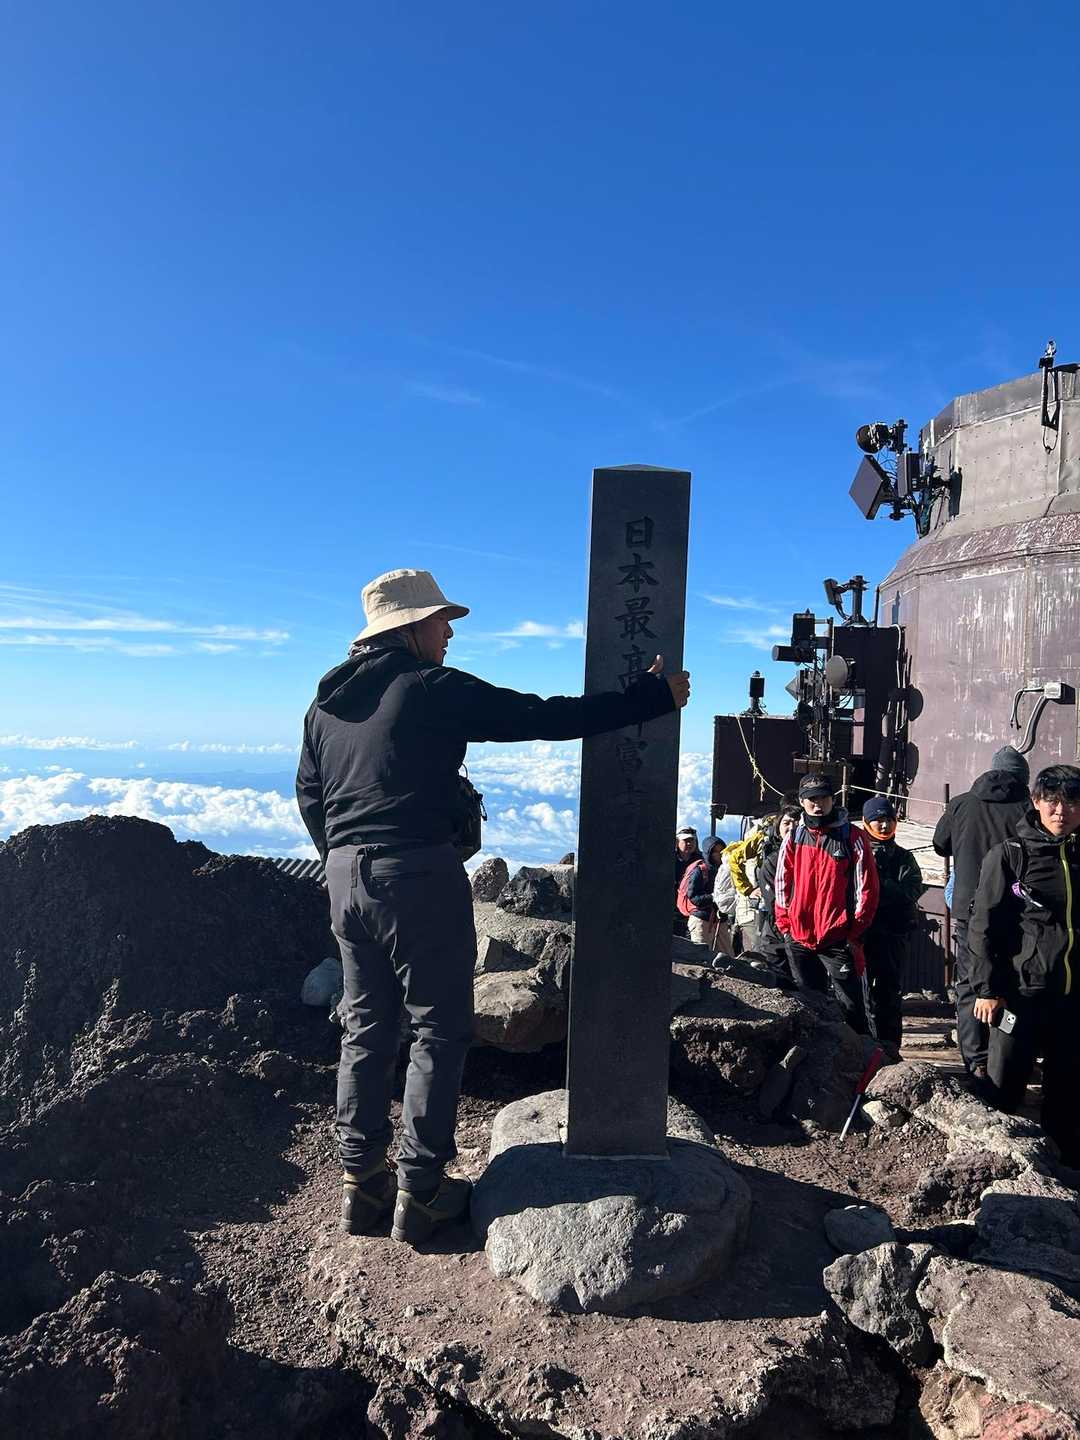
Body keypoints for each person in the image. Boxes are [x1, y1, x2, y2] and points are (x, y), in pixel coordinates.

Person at [296, 568, 689, 1244]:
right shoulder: (429, 686)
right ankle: (421, 1193)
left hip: (344, 878)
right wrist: (647, 699)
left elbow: (310, 796)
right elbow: (537, 715)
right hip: (416, 873)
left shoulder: (323, 705)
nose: (449, 633)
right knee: (437, 1029)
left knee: (366, 1027)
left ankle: (362, 1185)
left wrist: (348, 863)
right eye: (440, 621)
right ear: (408, 628)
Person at [967, 765, 1080, 1164]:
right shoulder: (1011, 855)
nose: (1061, 811)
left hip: (1072, 998)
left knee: (1067, 1091)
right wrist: (986, 989)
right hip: (1020, 993)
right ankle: (994, 1166)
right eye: (1052, 801)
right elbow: (983, 927)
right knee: (1004, 1087)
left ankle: (1063, 1171)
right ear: (1036, 802)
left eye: (1071, 802)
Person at [933, 745, 1030, 1084]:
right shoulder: (1028, 808)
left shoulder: (961, 803)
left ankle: (975, 1061)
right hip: (1016, 912)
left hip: (968, 910)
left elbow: (940, 844)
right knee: (1012, 986)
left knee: (969, 985)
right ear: (1023, 777)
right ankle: (1006, 1061)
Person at [774, 774, 880, 1034]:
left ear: (833, 799)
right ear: (802, 802)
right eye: (811, 799)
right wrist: (786, 925)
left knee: (853, 1007)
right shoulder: (795, 836)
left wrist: (854, 932)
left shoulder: (852, 837)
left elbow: (866, 888)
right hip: (799, 936)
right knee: (809, 1004)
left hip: (839, 937)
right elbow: (782, 881)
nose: (817, 804)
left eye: (823, 797)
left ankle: (862, 1053)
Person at [859, 796, 925, 1053]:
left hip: (892, 934)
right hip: (860, 935)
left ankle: (890, 1048)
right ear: (866, 822)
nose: (884, 825)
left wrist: (878, 887)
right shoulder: (857, 853)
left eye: (889, 819)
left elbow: (912, 889)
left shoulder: (903, 857)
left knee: (888, 993)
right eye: (878, 820)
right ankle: (862, 1046)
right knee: (860, 993)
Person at [754, 805, 801, 979]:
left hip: (809, 937)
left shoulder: (816, 855)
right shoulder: (772, 861)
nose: (792, 827)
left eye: (797, 822)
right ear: (778, 828)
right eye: (786, 823)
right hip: (777, 934)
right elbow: (773, 903)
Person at [680, 835, 726, 951]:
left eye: (722, 850)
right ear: (708, 853)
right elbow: (693, 897)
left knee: (727, 955)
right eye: (715, 851)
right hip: (701, 921)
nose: (719, 854)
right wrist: (714, 897)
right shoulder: (700, 871)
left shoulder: (725, 871)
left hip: (719, 921)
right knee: (701, 956)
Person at [673, 826, 701, 937]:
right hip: (674, 912)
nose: (689, 844)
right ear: (677, 842)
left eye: (692, 840)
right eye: (686, 840)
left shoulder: (701, 861)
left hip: (693, 911)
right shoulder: (669, 860)